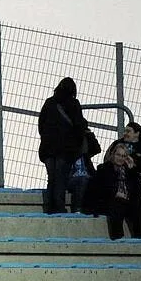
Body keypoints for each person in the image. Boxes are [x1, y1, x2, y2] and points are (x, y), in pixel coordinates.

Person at [37, 77, 89, 214]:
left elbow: (41, 125)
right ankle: (58, 208)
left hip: (47, 149)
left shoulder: (49, 103)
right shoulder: (73, 103)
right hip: (64, 150)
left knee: (51, 179)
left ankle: (49, 208)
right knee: (60, 179)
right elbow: (79, 125)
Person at [88, 142, 141, 240]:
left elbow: (140, 185)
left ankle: (139, 237)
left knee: (137, 208)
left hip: (127, 200)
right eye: (118, 155)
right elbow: (100, 188)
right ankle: (118, 238)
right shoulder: (104, 168)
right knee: (117, 206)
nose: (120, 158)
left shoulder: (129, 170)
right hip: (111, 200)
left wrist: (132, 169)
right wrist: (116, 193)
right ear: (113, 155)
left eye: (124, 156)